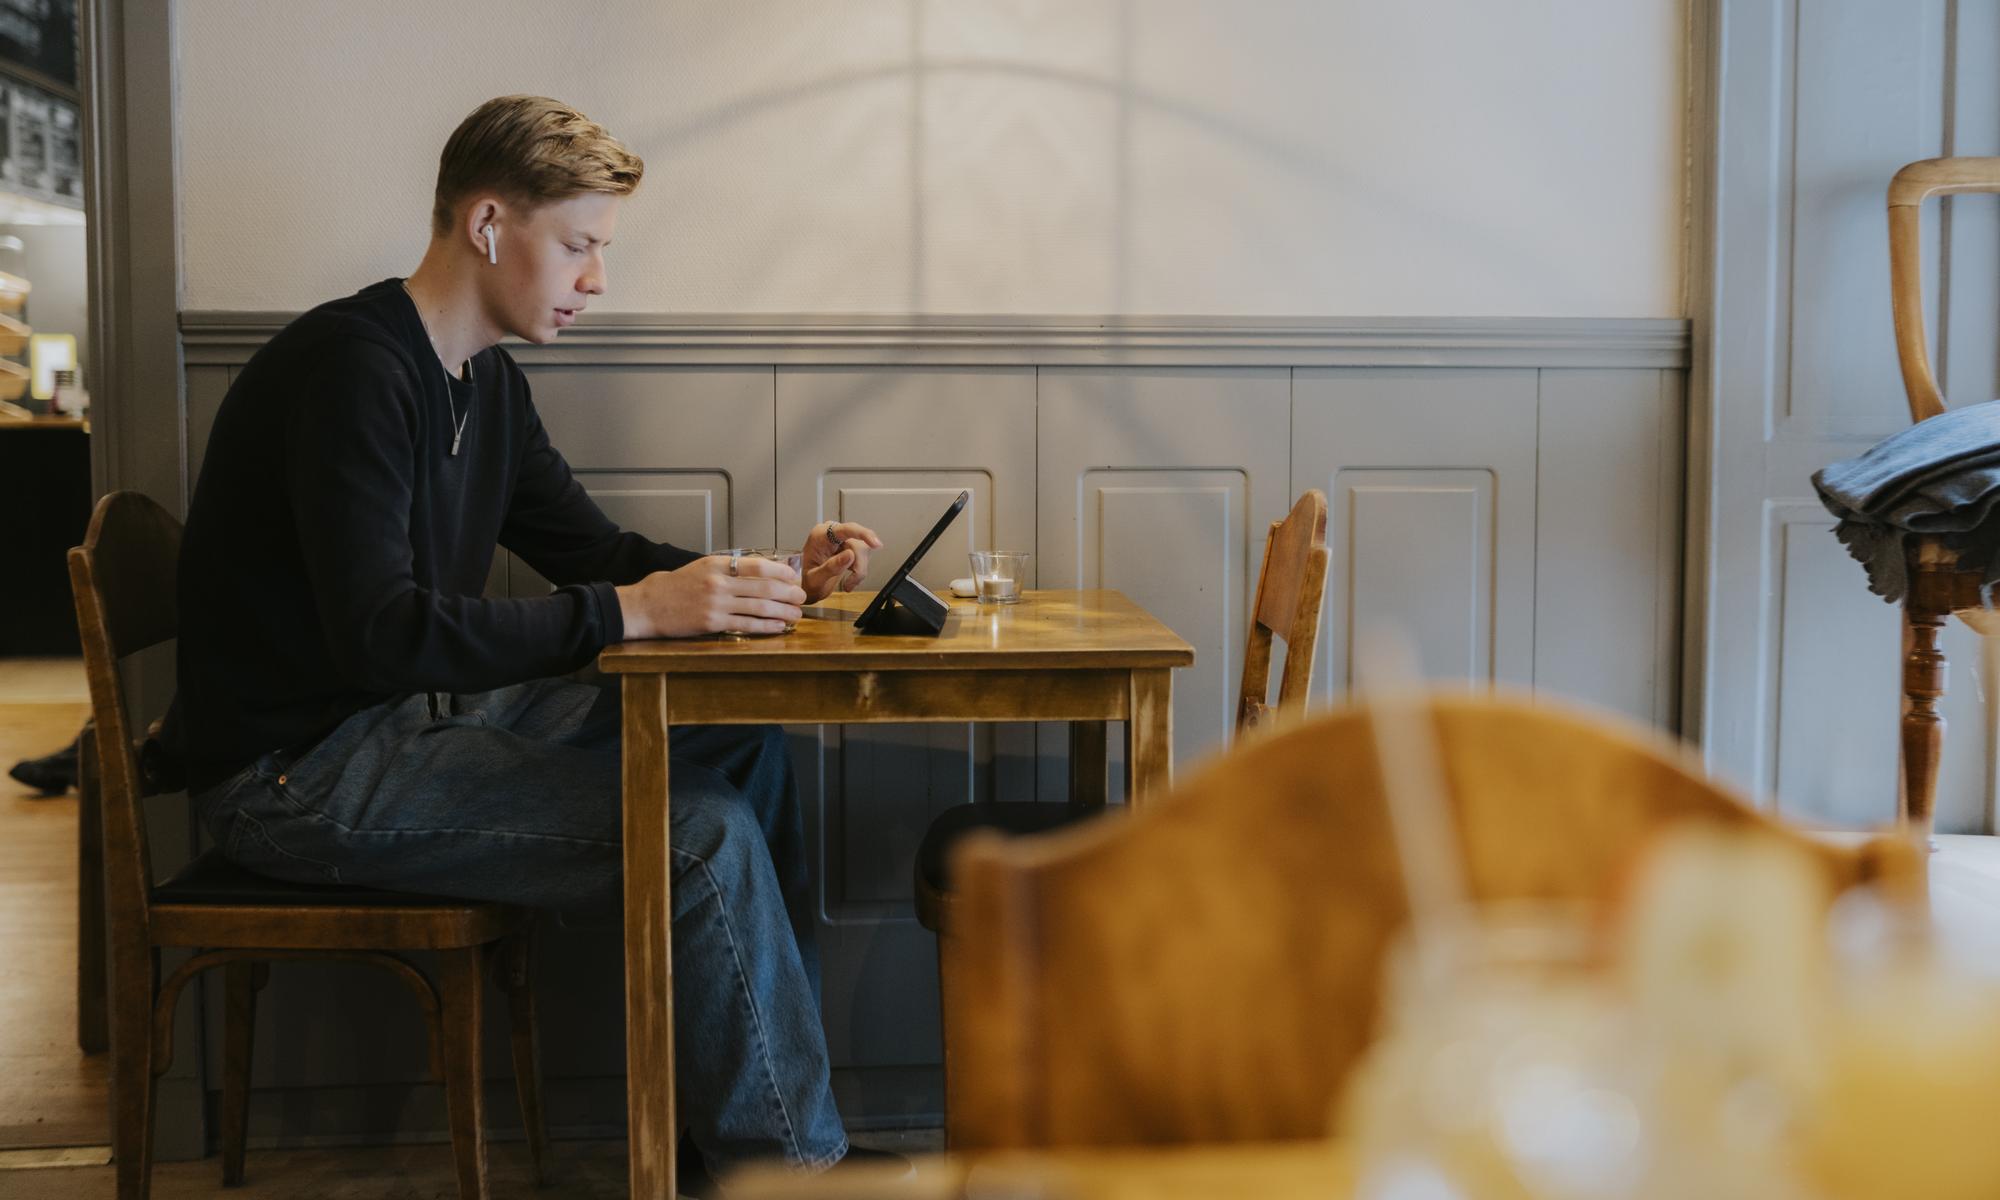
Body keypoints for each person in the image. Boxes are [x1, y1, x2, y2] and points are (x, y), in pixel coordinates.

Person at [170, 94, 888, 1184]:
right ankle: (787, 1171)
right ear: (491, 225)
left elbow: (596, 554)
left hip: (410, 727)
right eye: (581, 246)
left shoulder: (484, 385)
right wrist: (641, 612)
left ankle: (741, 1137)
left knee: (740, 746)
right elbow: (382, 635)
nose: (597, 280)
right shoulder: (352, 370)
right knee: (697, 831)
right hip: (294, 773)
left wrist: (766, 577)